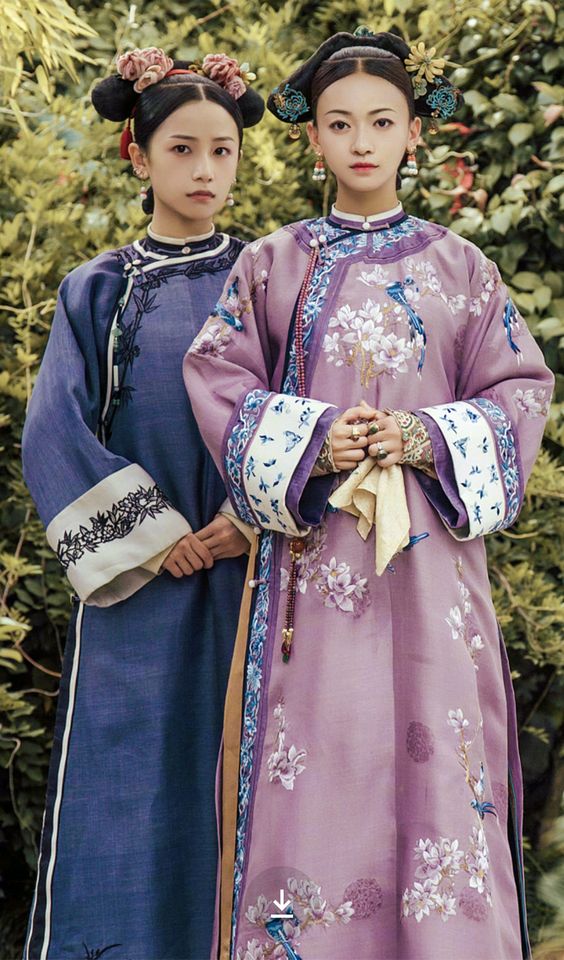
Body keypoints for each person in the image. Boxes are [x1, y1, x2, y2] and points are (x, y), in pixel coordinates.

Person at [183, 29, 554, 960]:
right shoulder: (273, 263)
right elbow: (217, 375)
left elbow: (521, 391)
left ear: (413, 135)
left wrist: (425, 434)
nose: (360, 142)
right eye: (341, 124)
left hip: (431, 570)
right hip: (316, 570)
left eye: (381, 123)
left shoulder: (463, 268)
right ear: (313, 139)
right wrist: (314, 436)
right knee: (325, 753)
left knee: (437, 750)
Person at [22, 46, 264, 960]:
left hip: (254, 581)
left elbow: (309, 411)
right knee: (126, 785)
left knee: (245, 787)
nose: (205, 170)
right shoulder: (97, 290)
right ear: (138, 154)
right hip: (138, 591)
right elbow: (55, 430)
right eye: (183, 150)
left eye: (224, 151)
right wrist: (158, 540)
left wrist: (251, 516)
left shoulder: (274, 276)